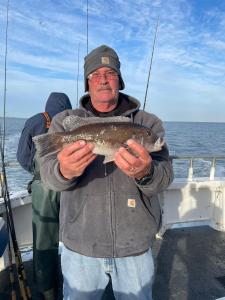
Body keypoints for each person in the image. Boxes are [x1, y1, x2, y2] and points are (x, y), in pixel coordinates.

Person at [39, 45, 174, 300]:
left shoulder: (148, 124)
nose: (103, 78)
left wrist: (146, 172)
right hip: (80, 248)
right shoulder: (63, 121)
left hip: (135, 247)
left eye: (110, 73)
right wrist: (63, 171)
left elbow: (165, 177)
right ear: (87, 82)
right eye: (96, 73)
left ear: (119, 81)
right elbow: (47, 176)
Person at [17, 92, 72, 300]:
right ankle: (76, 286)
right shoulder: (74, 121)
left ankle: (47, 290)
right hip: (72, 187)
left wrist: (39, 173)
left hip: (45, 189)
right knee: (75, 240)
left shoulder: (35, 121)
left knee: (44, 243)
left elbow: (22, 157)